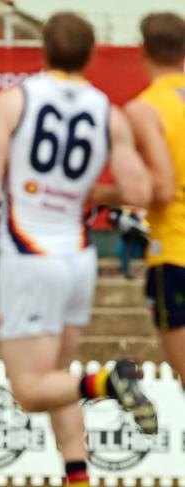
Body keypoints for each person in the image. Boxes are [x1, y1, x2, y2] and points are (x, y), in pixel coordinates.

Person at [0, 12, 158, 487]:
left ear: (44, 51)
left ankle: (110, 382)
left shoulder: (15, 100)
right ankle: (79, 478)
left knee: (31, 392)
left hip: (31, 257)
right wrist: (88, 195)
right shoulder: (106, 111)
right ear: (91, 55)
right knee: (58, 377)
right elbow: (138, 189)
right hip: (78, 259)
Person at [125, 12, 185, 389]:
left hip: (175, 250)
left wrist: (104, 194)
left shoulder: (144, 108)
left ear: (143, 50)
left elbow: (160, 190)